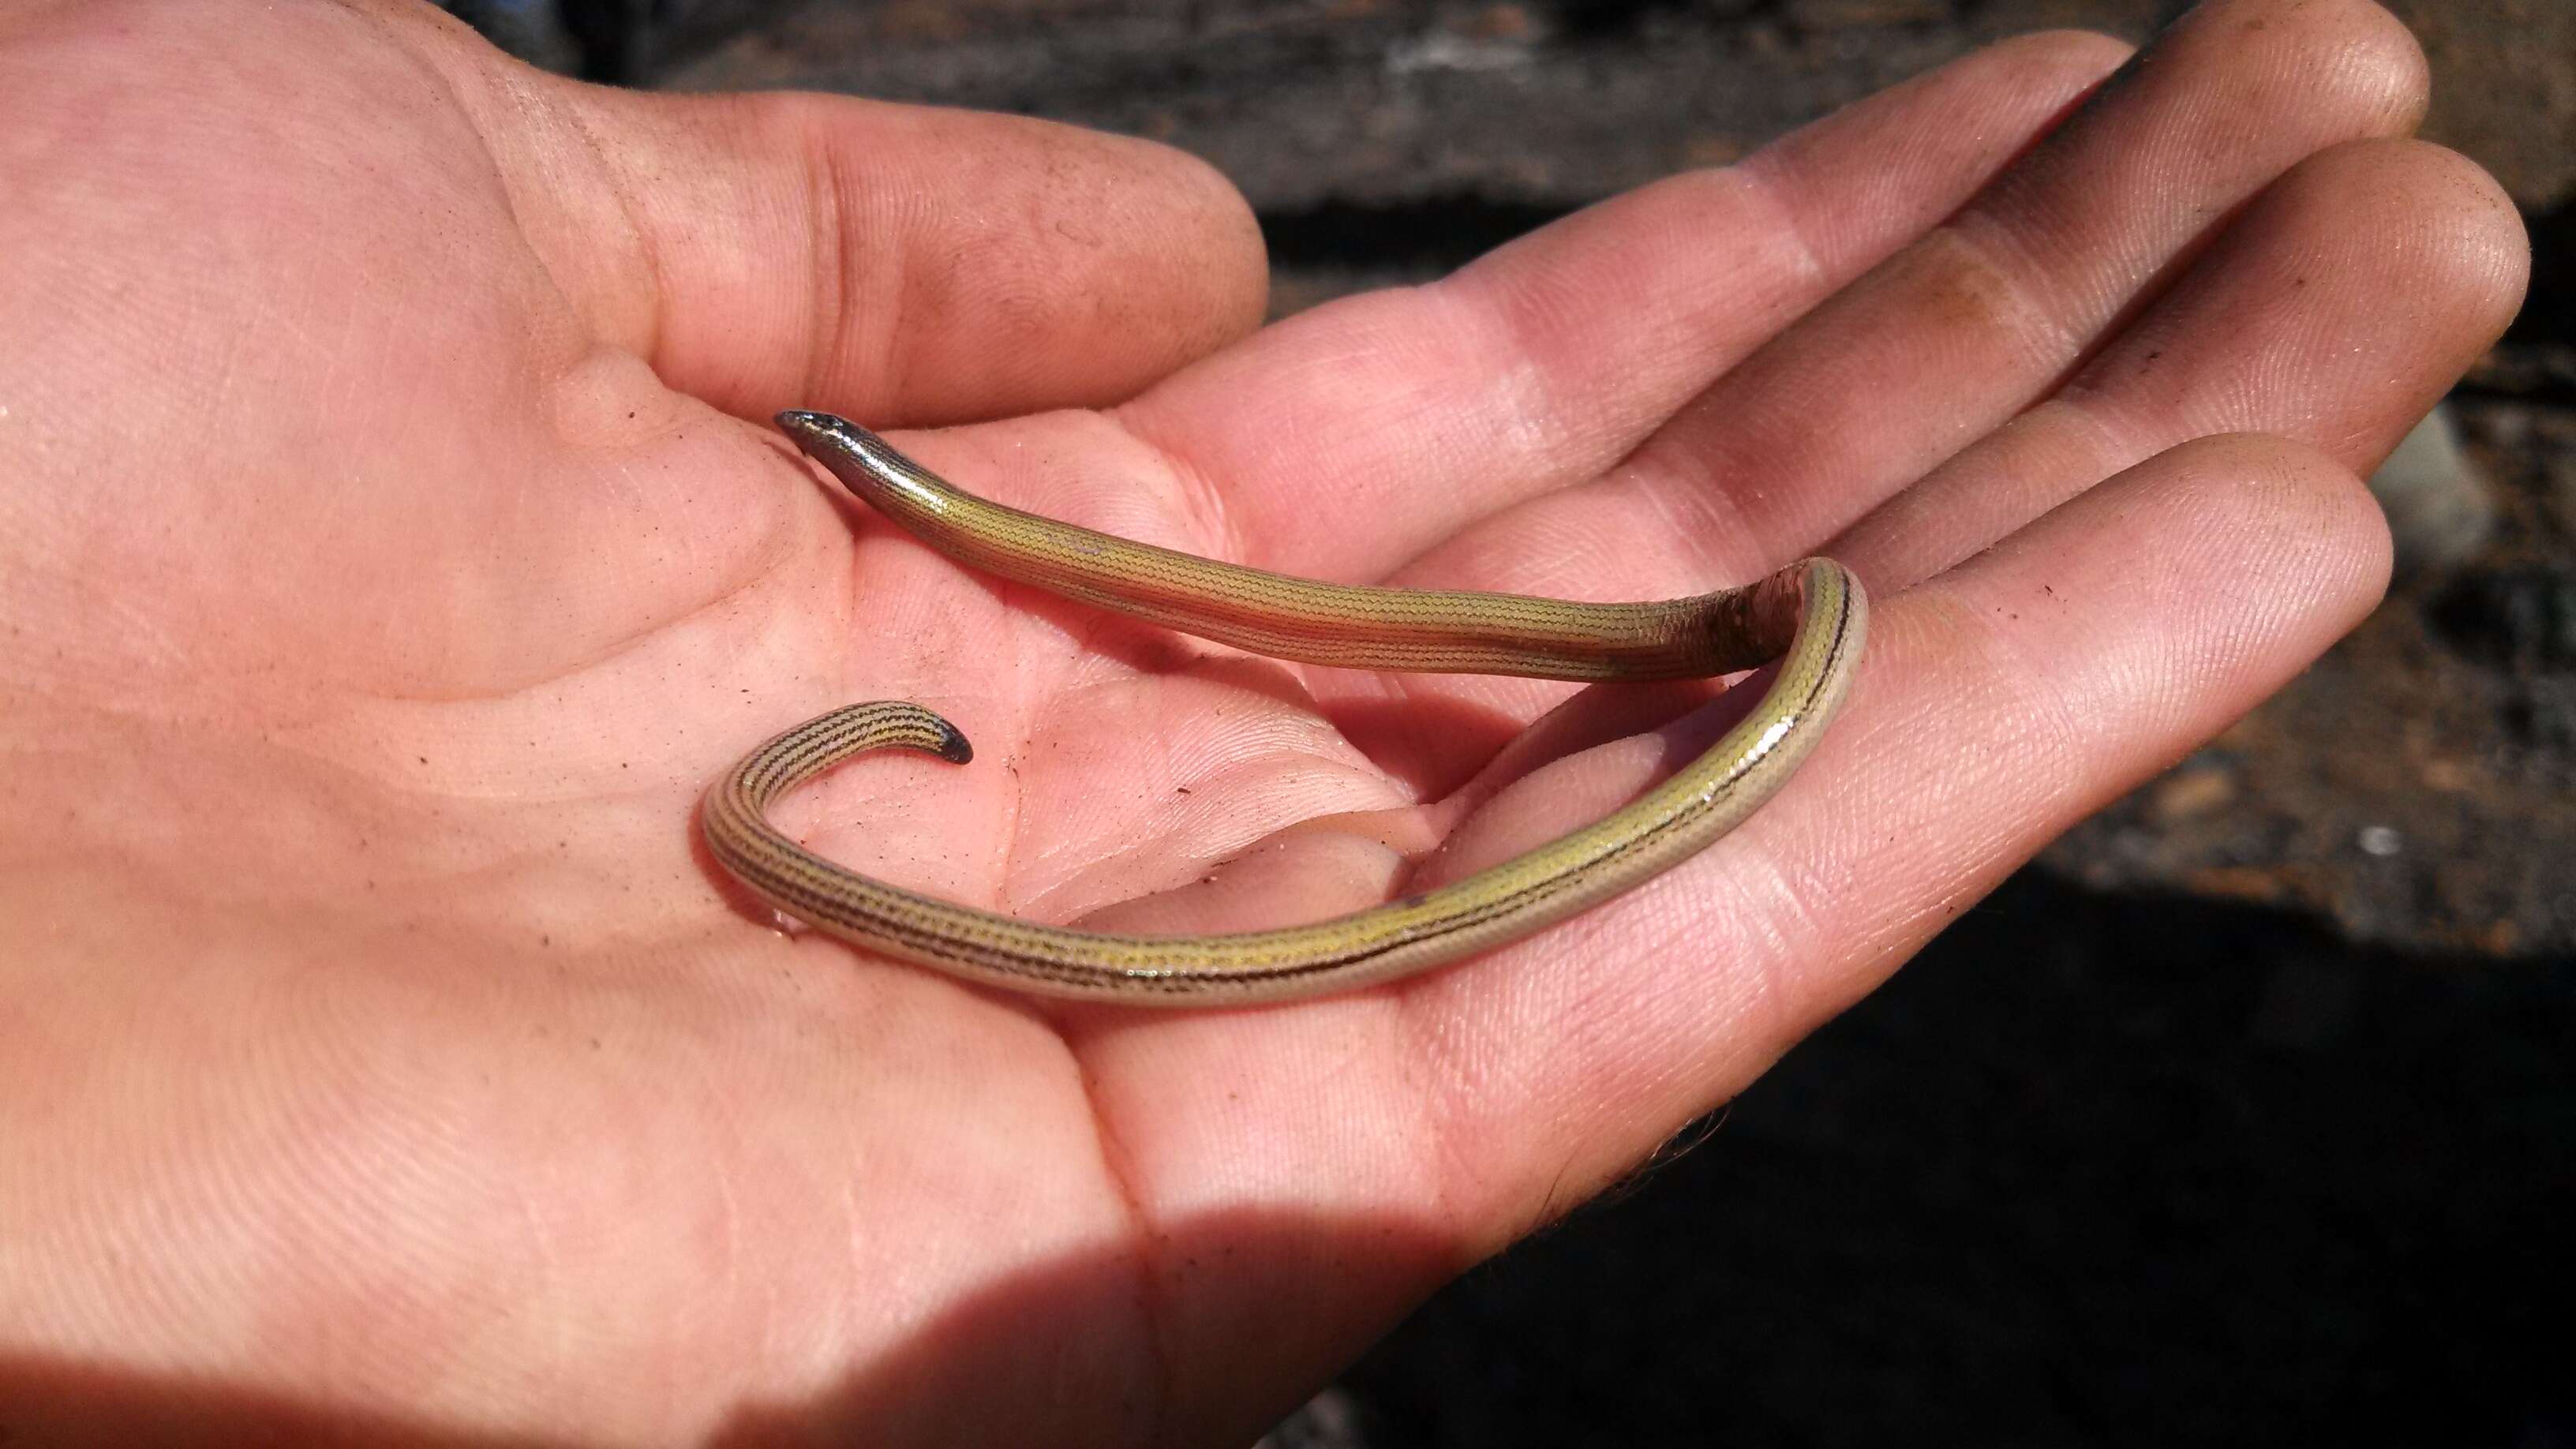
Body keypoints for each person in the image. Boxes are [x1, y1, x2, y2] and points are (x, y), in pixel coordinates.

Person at [0, 0, 2527, 1441]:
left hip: (1756, 640)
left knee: (1776, 620)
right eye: (861, 470)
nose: (842, 470)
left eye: (852, 470)